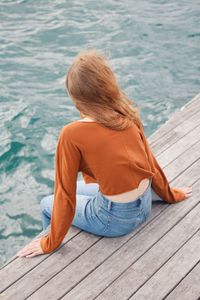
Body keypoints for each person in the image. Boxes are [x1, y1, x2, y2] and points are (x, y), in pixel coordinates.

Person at [17, 49, 192, 258]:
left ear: (76, 97)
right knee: (84, 188)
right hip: (144, 205)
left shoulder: (71, 133)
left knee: (47, 204)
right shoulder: (126, 115)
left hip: (113, 219)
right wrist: (172, 196)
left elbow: (64, 194)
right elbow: (150, 166)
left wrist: (50, 243)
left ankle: (49, 249)